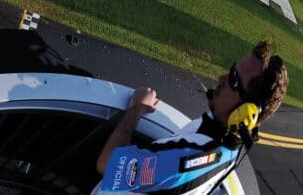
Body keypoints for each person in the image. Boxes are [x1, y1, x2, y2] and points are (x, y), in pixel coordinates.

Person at [94, 41, 287, 194]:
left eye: (233, 80)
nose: (221, 78)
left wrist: (135, 109)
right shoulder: (229, 148)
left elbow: (107, 165)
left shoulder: (186, 158)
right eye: (231, 70)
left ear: (246, 112)